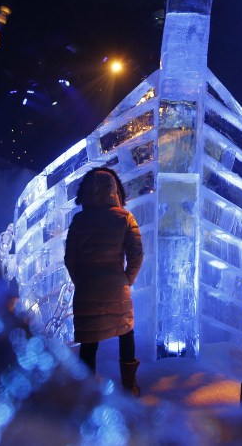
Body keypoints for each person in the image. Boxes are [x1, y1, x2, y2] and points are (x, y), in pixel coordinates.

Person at [64, 167, 144, 395]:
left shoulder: (79, 221)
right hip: (117, 289)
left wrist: (82, 281)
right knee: (126, 334)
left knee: (89, 343)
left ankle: (87, 393)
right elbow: (137, 255)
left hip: (87, 290)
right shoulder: (124, 218)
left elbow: (70, 259)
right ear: (115, 190)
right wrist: (125, 280)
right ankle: (130, 387)